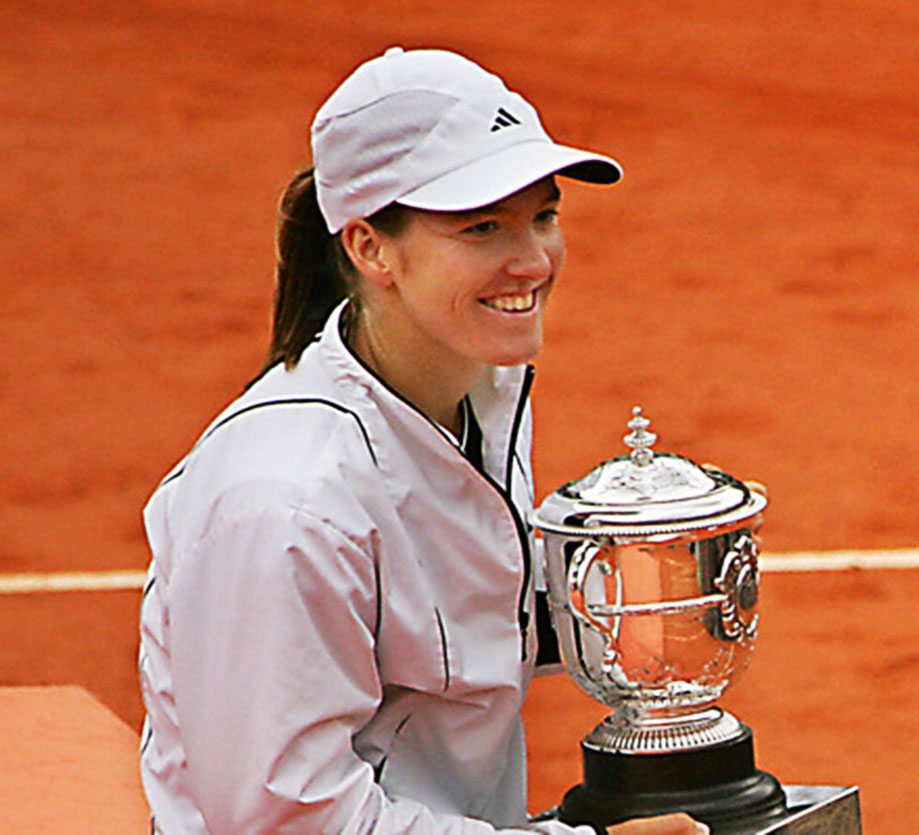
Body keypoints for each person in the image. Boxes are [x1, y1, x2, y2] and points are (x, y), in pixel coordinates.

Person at [137, 47, 707, 835]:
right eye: (482, 227)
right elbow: (283, 821)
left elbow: (446, 627)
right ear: (370, 247)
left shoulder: (475, 389)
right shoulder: (286, 503)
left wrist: (629, 608)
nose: (533, 260)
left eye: (543, 216)